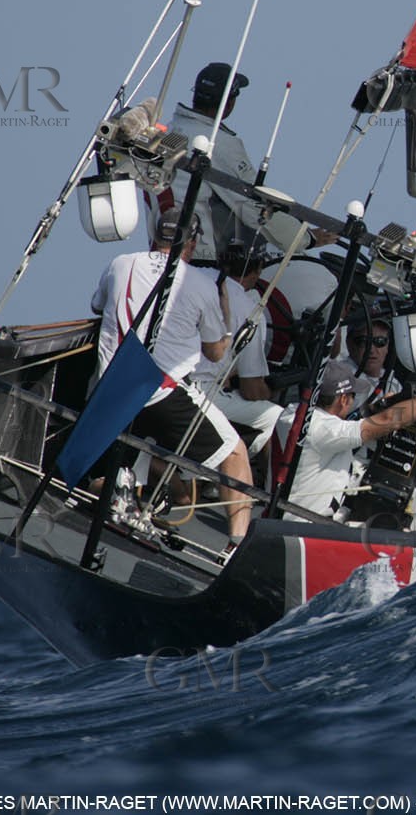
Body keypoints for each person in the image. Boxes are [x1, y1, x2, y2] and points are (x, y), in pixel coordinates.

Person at [89, 207, 256, 543]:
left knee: (136, 440)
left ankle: (112, 491)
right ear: (191, 245)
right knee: (235, 453)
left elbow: (97, 306)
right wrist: (223, 313)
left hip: (108, 388)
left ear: (153, 235)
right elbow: (215, 352)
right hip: (159, 394)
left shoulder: (120, 263)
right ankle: (236, 548)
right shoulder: (201, 285)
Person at [275, 361, 416, 522]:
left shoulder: (291, 413)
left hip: (282, 513)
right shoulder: (326, 430)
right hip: (306, 524)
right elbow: (390, 420)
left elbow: (360, 421)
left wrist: (377, 408)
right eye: (353, 396)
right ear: (344, 400)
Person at [142, 62, 256, 264]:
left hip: (157, 256)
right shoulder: (220, 143)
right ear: (229, 103)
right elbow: (254, 208)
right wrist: (306, 239)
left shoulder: (169, 132)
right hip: (199, 261)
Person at [189, 238, 282, 474]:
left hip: (167, 375)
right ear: (259, 269)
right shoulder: (252, 310)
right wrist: (272, 391)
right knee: (279, 418)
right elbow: (251, 390)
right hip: (202, 391)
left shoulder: (195, 275)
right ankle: (271, 489)